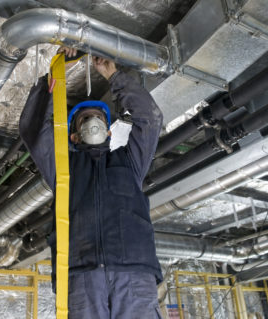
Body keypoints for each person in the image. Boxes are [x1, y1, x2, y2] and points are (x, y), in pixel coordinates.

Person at [19, 47, 164, 319]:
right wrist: (56, 75)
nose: (93, 122)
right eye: (85, 119)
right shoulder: (64, 168)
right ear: (74, 136)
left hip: (133, 274)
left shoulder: (129, 162)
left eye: (99, 118)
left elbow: (150, 119)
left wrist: (114, 76)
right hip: (81, 276)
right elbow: (33, 130)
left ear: (109, 132)